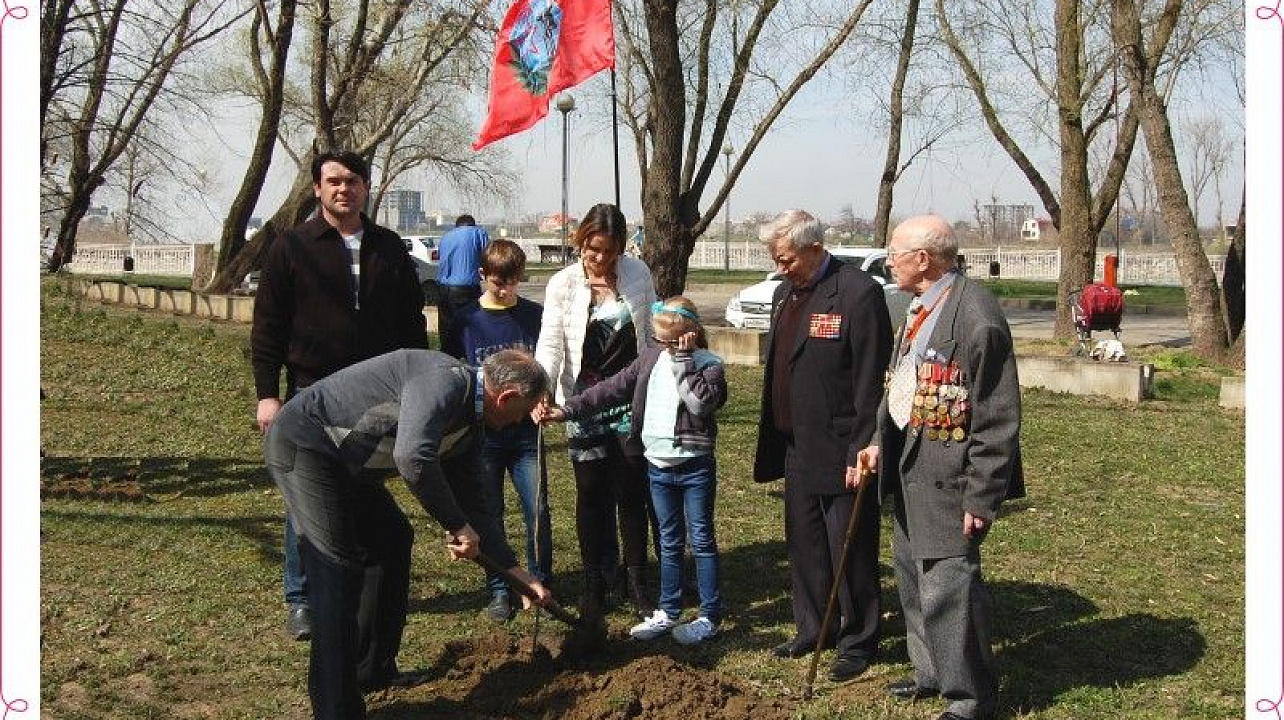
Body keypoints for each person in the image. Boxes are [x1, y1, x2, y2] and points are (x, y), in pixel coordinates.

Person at [264, 348, 553, 720]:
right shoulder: (445, 383)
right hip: (308, 445)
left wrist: (515, 574)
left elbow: (474, 506)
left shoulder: (471, 423)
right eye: (521, 413)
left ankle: (372, 669)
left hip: (349, 463)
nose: (518, 423)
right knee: (336, 572)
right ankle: (337, 709)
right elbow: (413, 457)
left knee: (392, 538)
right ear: (507, 397)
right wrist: (454, 523)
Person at [252, 150, 428, 641]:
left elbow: (412, 322)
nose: (342, 189)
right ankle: (302, 598)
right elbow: (268, 327)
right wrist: (268, 395)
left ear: (366, 187)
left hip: (374, 395)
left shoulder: (389, 248)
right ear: (316, 188)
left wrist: (416, 383)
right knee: (304, 495)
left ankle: (357, 579)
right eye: (333, 181)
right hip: (312, 393)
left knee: (362, 490)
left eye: (352, 181)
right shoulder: (293, 247)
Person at [854, 215, 1024, 720]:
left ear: (923, 259)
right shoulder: (916, 308)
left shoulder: (976, 314)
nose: (889, 260)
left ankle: (970, 700)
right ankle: (930, 672)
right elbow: (902, 383)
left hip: (950, 478)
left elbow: (997, 416)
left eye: (895, 252)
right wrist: (876, 440)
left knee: (950, 588)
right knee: (912, 577)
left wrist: (981, 496)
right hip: (910, 468)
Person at [751, 209, 892, 682]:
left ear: (814, 248)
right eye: (776, 259)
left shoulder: (857, 293)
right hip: (796, 444)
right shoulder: (783, 293)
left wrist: (862, 446)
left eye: (786, 258)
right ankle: (815, 626)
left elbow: (872, 379)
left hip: (841, 445)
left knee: (848, 547)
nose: (780, 267)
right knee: (806, 542)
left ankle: (858, 638)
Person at [539, 297, 727, 644]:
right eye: (659, 341)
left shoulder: (708, 365)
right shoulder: (651, 358)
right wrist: (567, 411)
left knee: (700, 539)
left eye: (670, 342)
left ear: (690, 335)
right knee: (668, 542)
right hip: (657, 465)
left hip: (694, 467)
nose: (663, 347)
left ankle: (708, 614)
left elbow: (700, 403)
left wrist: (683, 359)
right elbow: (611, 389)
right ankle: (668, 611)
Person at [534, 202, 658, 617]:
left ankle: (637, 580)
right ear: (580, 242)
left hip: (629, 398)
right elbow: (551, 342)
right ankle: (593, 583)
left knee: (631, 491)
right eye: (592, 249)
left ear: (621, 247)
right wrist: (543, 389)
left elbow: (652, 332)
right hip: (582, 399)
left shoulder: (638, 275)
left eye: (608, 250)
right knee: (590, 492)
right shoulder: (563, 284)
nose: (600, 259)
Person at [457, 240, 552, 622]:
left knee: (538, 509)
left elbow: (546, 365)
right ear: (482, 276)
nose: (504, 289)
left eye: (512, 281)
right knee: (488, 511)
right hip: (485, 435)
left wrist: (544, 398)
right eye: (497, 281)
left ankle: (538, 581)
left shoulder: (534, 316)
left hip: (527, 434)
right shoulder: (466, 321)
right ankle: (499, 589)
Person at [436, 214, 490, 358]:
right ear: (472, 224)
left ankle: (448, 362)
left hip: (442, 288)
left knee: (447, 333)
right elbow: (488, 258)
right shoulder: (478, 233)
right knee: (469, 329)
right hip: (466, 289)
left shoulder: (446, 236)